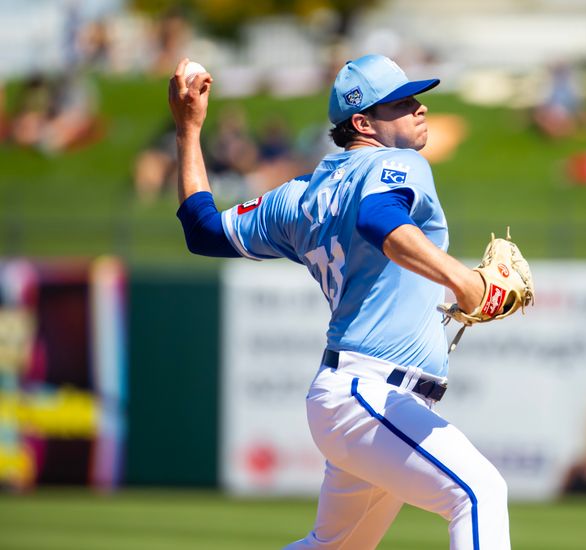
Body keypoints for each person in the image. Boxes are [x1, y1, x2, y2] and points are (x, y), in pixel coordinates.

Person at [168, 55, 510, 548]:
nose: (419, 108)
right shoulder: (398, 161)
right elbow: (379, 220)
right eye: (401, 102)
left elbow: (202, 229)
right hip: (370, 393)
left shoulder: (297, 196)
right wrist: (465, 281)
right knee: (478, 493)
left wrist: (188, 131)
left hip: (358, 399)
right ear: (362, 123)